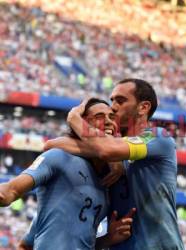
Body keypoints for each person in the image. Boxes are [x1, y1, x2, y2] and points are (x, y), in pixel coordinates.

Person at [45, 78, 184, 250]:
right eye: (112, 100)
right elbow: (51, 145)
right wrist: (106, 239)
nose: (113, 106)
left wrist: (74, 118)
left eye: (120, 100)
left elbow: (107, 149)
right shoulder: (110, 151)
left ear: (143, 107)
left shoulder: (157, 137)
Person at [0, 98, 135, 250]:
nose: (109, 121)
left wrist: (107, 239)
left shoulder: (107, 182)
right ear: (82, 125)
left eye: (111, 117)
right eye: (99, 117)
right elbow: (11, 190)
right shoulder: (58, 158)